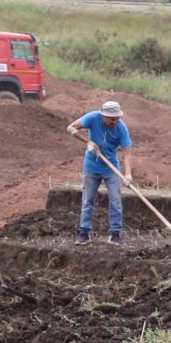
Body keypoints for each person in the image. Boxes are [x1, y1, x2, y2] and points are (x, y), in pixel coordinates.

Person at [67, 99, 132, 245]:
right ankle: (84, 233)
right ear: (103, 115)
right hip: (91, 166)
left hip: (111, 168)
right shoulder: (92, 117)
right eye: (111, 119)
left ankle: (115, 234)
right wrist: (87, 142)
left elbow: (127, 152)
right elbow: (71, 128)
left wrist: (128, 174)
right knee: (88, 199)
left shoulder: (121, 128)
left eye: (117, 118)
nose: (114, 121)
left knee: (115, 201)